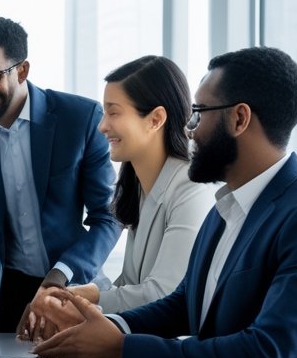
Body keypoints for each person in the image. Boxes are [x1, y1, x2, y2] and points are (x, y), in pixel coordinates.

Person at [33, 46, 297, 358]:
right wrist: (107, 327)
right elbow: (184, 305)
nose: (189, 130)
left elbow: (269, 356)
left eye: (198, 114)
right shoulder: (226, 209)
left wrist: (121, 350)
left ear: (239, 119)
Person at [0, 16, 119, 340]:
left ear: (22, 70)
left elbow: (109, 216)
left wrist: (59, 276)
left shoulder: (80, 119)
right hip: (11, 291)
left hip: (73, 282)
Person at [22, 55, 213, 339]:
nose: (102, 126)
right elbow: (132, 283)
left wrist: (80, 302)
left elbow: (163, 293)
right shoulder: (137, 184)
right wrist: (68, 296)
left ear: (156, 119)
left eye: (113, 113)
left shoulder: (192, 186)